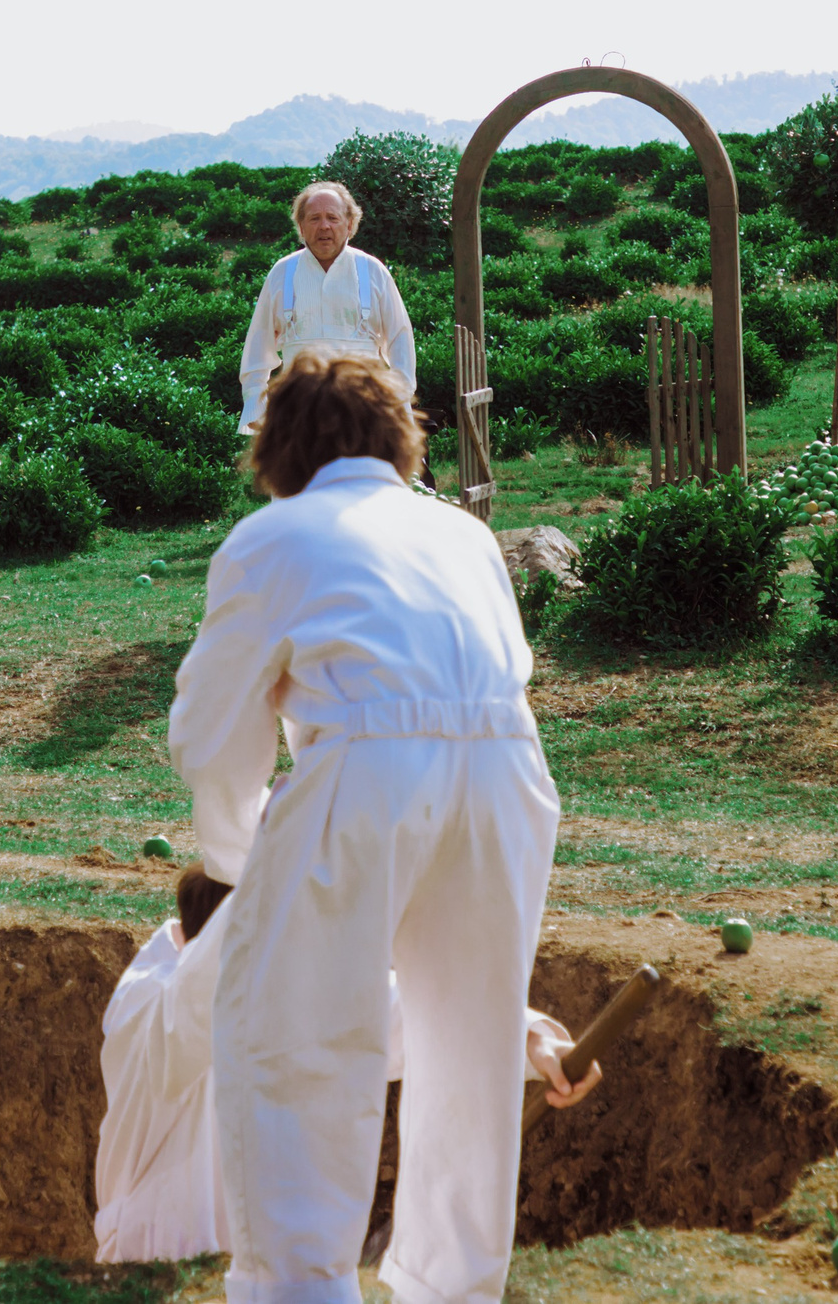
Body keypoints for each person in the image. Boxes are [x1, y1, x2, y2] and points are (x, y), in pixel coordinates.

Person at [168, 354, 587, 1304]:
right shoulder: (462, 533)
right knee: (469, 1044)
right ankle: (454, 1287)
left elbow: (207, 729)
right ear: (400, 438)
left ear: (279, 447)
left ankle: (302, 1287)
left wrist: (241, 856)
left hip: (365, 762)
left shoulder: (271, 538)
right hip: (507, 773)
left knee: (296, 1039)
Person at [92, 864, 585, 1265]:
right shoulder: (150, 1009)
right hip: (145, 1270)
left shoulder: (289, 991)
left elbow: (415, 1012)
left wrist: (533, 1042)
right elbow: (208, 990)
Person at [237, 181, 417, 434]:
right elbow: (258, 343)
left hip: (365, 413)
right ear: (300, 226)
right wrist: (257, 404)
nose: (324, 226)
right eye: (314, 218)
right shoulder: (282, 273)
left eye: (333, 217)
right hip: (298, 415)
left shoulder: (372, 270)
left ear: (350, 224)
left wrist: (398, 399)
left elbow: (400, 338)